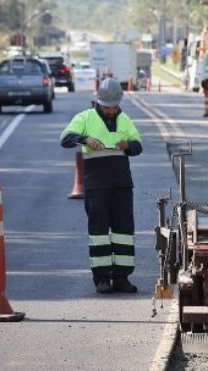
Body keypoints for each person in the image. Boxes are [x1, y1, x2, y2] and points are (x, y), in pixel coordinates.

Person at [60, 78, 144, 295]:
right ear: (99, 102)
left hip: (121, 184)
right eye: (107, 107)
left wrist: (128, 145)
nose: (110, 111)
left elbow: (138, 144)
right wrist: (86, 139)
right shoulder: (84, 118)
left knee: (123, 230)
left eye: (113, 107)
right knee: (99, 231)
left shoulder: (124, 119)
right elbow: (65, 138)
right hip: (96, 184)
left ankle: (122, 277)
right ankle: (102, 279)